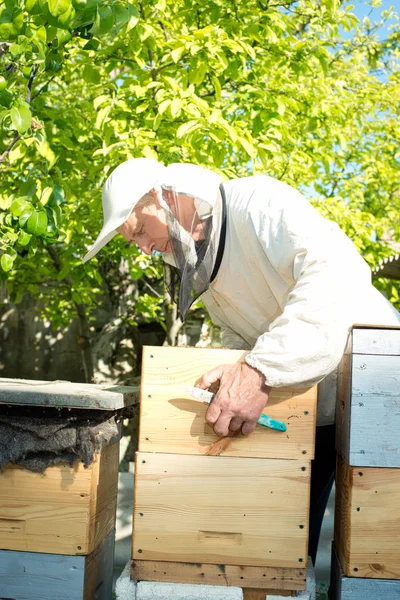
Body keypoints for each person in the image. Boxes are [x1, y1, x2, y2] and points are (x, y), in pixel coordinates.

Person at [82, 157, 400, 564]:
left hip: (378, 385)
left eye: (141, 230)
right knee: (285, 550)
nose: (144, 248)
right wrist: (230, 365)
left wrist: (256, 371)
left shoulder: (258, 204)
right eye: (135, 242)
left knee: (379, 551)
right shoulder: (197, 255)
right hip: (308, 405)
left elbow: (335, 275)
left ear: (167, 198)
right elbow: (241, 329)